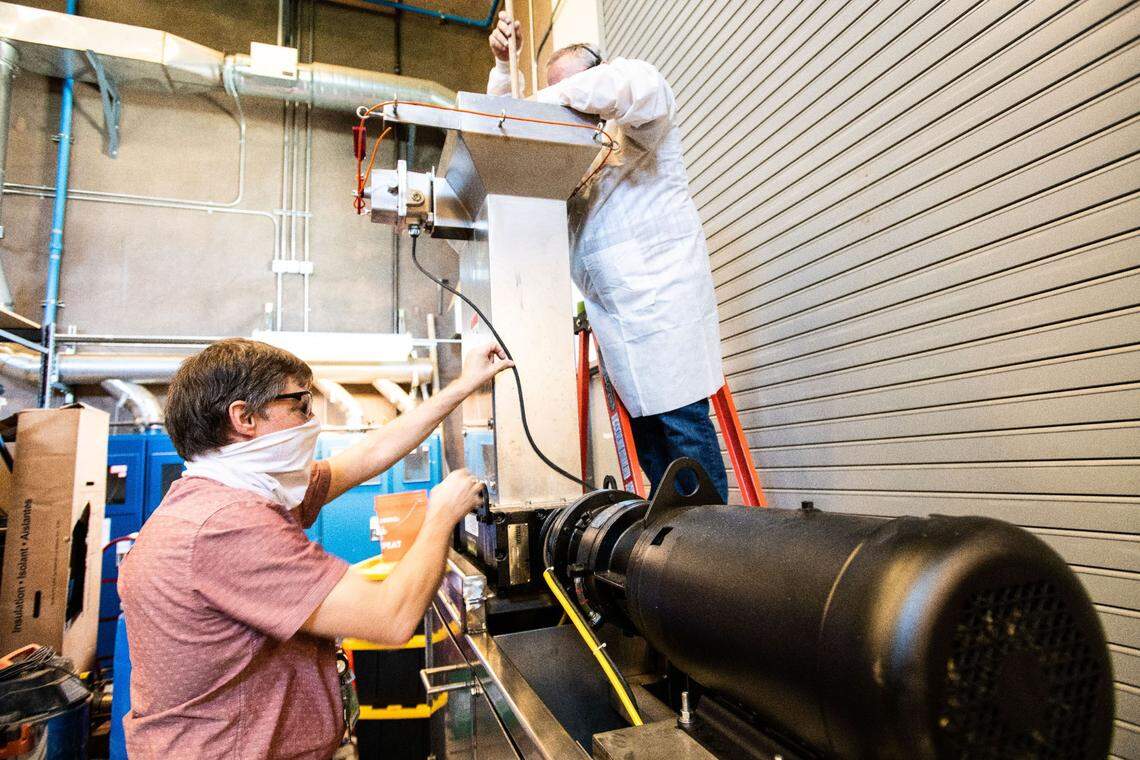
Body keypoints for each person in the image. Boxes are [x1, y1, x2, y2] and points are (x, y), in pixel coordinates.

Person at [118, 337, 512, 759]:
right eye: (301, 406)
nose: (313, 422)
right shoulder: (226, 525)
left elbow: (367, 455)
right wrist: (441, 514)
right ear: (244, 417)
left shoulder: (234, 491)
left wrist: (464, 385)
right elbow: (391, 617)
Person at [487, 14, 730, 501]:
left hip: (663, 308)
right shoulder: (572, 156)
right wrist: (502, 73)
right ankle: (673, 549)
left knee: (682, 432)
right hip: (617, 320)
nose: (566, 100)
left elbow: (626, 86)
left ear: (597, 72)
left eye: (572, 87)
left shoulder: (638, 108)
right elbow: (499, 134)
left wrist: (543, 101)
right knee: (651, 447)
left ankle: (713, 551)